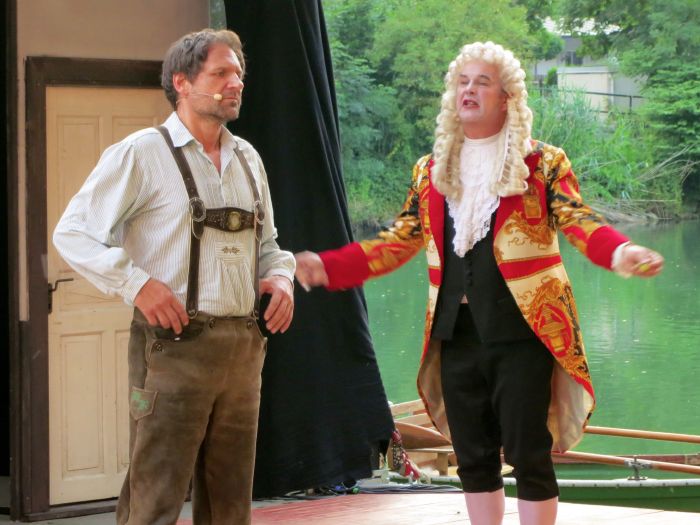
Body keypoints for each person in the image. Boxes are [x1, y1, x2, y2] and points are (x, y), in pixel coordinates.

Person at [295, 41, 663, 525]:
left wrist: (620, 251)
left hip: (524, 331)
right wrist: (329, 267)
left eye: (482, 82)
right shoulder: (431, 170)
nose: (468, 90)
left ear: (507, 97)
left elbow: (579, 221)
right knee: (472, 456)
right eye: (462, 82)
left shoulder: (542, 163)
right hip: (455, 333)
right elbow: (398, 240)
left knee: (529, 454)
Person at [53, 29, 295, 524]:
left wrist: (281, 277)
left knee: (230, 504)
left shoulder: (248, 158)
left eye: (238, 74)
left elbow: (268, 244)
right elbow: (72, 233)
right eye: (221, 74)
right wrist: (137, 284)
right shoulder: (142, 153)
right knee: (155, 497)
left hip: (243, 350)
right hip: (174, 346)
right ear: (182, 83)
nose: (236, 83)